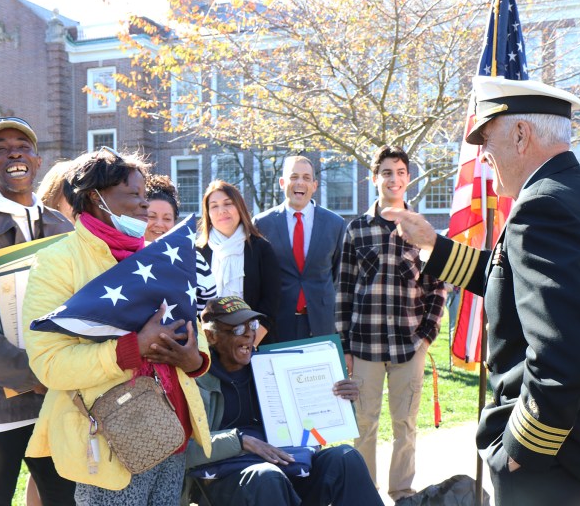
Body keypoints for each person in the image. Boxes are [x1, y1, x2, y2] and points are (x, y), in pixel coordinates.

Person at [381, 76, 580, 505]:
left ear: (521, 134)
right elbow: (517, 278)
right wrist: (435, 245)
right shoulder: (579, 194)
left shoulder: (542, 208)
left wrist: (519, 451)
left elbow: (565, 357)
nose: (483, 156)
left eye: (487, 139)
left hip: (558, 467)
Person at [21, 147, 212, 504]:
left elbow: (193, 333)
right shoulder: (57, 263)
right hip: (113, 445)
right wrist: (131, 349)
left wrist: (195, 361)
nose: (145, 204)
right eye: (133, 194)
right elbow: (48, 364)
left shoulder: (154, 255)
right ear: (95, 198)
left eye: (145, 194)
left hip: (172, 436)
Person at [0, 117, 75, 505]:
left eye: (23, 145)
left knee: (64, 498)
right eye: (0, 148)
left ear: (38, 160)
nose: (13, 153)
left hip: (55, 400)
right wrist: (32, 374)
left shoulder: (60, 227)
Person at [184, 295, 384, 506]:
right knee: (268, 477)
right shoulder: (195, 381)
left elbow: (315, 427)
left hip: (286, 464)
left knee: (346, 458)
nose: (250, 334)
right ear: (211, 336)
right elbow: (184, 451)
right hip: (227, 477)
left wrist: (341, 398)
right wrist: (240, 441)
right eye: (237, 330)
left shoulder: (274, 365)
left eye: (252, 325)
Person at [335, 145, 446, 502]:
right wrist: (345, 346)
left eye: (399, 171)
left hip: (408, 344)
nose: (393, 178)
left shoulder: (422, 229)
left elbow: (438, 287)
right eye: (386, 172)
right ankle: (365, 494)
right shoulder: (356, 230)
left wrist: (426, 336)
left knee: (405, 426)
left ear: (408, 178)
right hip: (364, 345)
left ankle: (403, 494)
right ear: (374, 178)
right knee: (364, 425)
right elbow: (344, 290)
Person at [254, 156, 346, 342]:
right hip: (277, 325)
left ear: (314, 185)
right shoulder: (262, 224)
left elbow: (337, 275)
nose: (300, 183)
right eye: (294, 176)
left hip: (321, 324)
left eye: (306, 178)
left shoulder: (335, 224)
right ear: (282, 182)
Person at [196, 180, 280, 345]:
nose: (222, 211)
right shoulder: (198, 252)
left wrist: (248, 344)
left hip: (255, 344)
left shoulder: (261, 248)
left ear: (239, 207)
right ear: (208, 214)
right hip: (210, 346)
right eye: (214, 206)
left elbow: (271, 304)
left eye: (228, 203)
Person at [144, 173, 179, 242]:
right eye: (151, 216)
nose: (159, 224)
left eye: (167, 219)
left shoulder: (187, 252)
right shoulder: (122, 252)